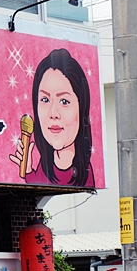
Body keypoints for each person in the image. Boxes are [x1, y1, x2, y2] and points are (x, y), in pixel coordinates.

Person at [10, 48, 94, 187]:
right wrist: (29, 170)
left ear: (81, 107)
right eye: (45, 100)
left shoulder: (86, 174)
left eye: (64, 102)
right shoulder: (44, 168)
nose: (53, 113)